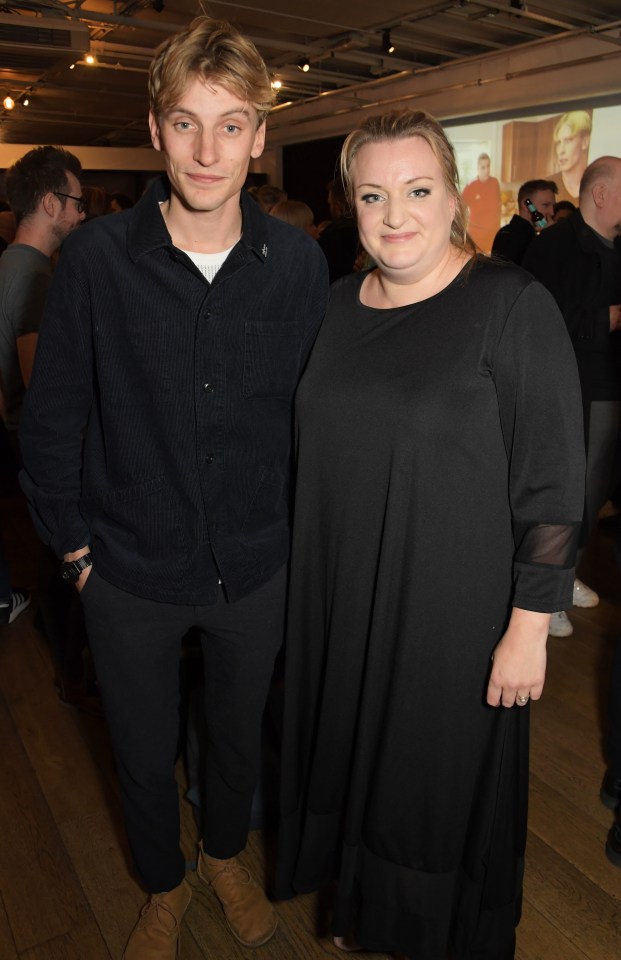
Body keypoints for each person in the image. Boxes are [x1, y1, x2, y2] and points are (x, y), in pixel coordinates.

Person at [19, 15, 328, 960]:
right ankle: (161, 881)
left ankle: (226, 854)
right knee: (143, 756)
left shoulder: (300, 266)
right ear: (155, 129)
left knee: (236, 743)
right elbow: (51, 420)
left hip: (256, 566)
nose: (208, 149)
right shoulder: (96, 264)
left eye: (231, 124)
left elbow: (317, 422)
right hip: (126, 570)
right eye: (186, 123)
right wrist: (75, 556)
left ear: (260, 136)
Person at [276, 109, 585, 960]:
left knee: (428, 802)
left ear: (455, 196)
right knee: (358, 773)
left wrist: (529, 629)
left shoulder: (509, 304)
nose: (394, 214)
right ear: (350, 203)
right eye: (372, 195)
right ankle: (365, 915)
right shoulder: (337, 305)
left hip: (450, 617)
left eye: (417, 190)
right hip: (343, 599)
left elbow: (556, 482)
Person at [522, 157, 621, 638]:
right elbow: (537, 322)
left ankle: (569, 573)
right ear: (601, 195)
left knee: (596, 492)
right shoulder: (554, 246)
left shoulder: (617, 245)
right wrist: (604, 319)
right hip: (571, 388)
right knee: (567, 492)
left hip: (609, 384)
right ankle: (549, 592)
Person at [491, 178, 557, 264]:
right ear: (526, 206)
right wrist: (548, 237)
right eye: (546, 205)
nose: (552, 212)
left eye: (553, 206)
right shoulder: (514, 236)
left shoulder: (516, 233)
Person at [462, 152, 501, 254]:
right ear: (478, 168)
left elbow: (498, 206)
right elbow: (460, 210)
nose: (486, 170)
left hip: (493, 237)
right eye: (483, 167)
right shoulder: (470, 186)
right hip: (476, 240)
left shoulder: (494, 183)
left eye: (488, 166)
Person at [551, 110, 591, 206]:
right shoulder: (547, 186)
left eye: (568, 140)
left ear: (585, 142)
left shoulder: (598, 185)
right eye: (559, 143)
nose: (561, 151)